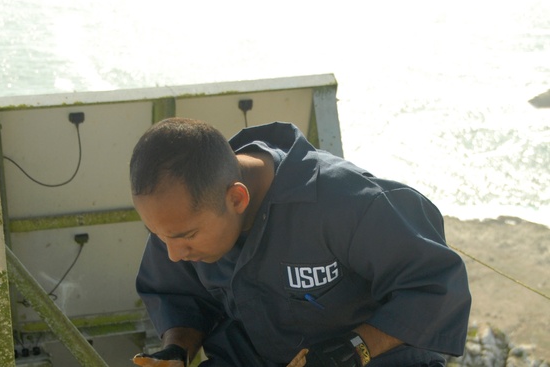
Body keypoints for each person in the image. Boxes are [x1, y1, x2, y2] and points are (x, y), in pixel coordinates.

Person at [129, 117, 471, 367]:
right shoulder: (181, 215)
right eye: (158, 236)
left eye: (185, 237)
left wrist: (352, 351)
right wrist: (177, 350)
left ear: (236, 198)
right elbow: (179, 297)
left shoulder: (349, 204)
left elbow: (436, 286)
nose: (173, 254)